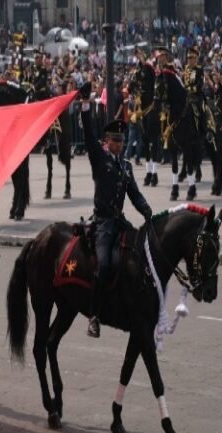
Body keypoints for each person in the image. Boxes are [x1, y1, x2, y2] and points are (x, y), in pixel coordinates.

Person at [78, 82, 153, 338]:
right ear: (106, 142)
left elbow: (134, 194)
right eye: (114, 141)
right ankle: (94, 315)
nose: (119, 145)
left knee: (138, 254)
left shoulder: (126, 166)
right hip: (103, 224)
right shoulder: (99, 160)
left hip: (119, 221)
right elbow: (88, 135)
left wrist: (148, 212)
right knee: (105, 265)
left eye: (121, 141)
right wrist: (86, 105)